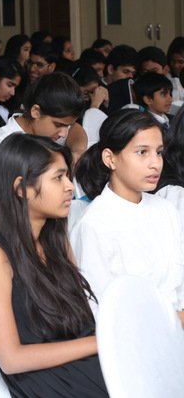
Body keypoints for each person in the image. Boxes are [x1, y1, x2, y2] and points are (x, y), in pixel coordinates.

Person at [0, 133, 107, 397]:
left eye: (67, 176)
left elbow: (80, 320)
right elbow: (11, 359)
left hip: (86, 364)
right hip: (49, 381)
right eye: (58, 178)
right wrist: (101, 342)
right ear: (22, 188)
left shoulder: (55, 242)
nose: (70, 187)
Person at [72, 110, 184, 323]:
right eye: (142, 152)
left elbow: (179, 288)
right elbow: (100, 313)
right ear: (110, 159)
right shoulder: (94, 225)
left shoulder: (166, 210)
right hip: (132, 337)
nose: (155, 163)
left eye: (159, 152)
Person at [0, 73, 88, 182]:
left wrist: (77, 150)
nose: (64, 134)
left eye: (68, 125)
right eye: (58, 125)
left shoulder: (47, 132)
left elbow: (75, 129)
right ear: (36, 112)